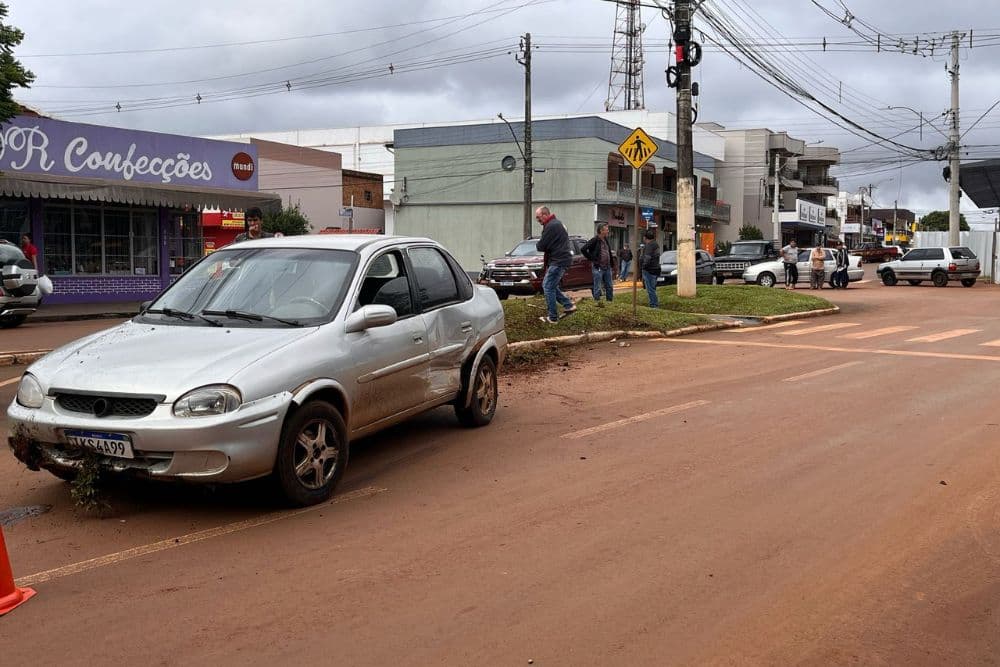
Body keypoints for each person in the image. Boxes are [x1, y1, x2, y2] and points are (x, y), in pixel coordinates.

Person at [535, 206, 576, 324]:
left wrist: (540, 244)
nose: (538, 220)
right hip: (561, 259)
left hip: (558, 260)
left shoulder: (551, 226)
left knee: (547, 286)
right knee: (550, 286)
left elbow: (541, 246)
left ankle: (552, 317)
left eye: (538, 217)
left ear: (545, 215)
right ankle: (568, 305)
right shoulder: (557, 224)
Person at [581, 222, 614, 304]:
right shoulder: (595, 240)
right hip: (598, 267)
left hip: (607, 267)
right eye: (606, 230)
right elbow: (583, 249)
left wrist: (612, 263)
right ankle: (597, 303)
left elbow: (608, 252)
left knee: (609, 286)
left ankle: (609, 302)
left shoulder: (605, 239)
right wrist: (592, 258)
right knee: (597, 287)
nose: (608, 231)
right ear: (601, 231)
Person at [640, 228, 661, 308]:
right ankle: (654, 303)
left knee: (650, 289)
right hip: (655, 269)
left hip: (649, 270)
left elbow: (647, 258)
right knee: (653, 288)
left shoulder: (649, 245)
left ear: (645, 238)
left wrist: (643, 266)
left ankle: (654, 305)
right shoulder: (656, 244)